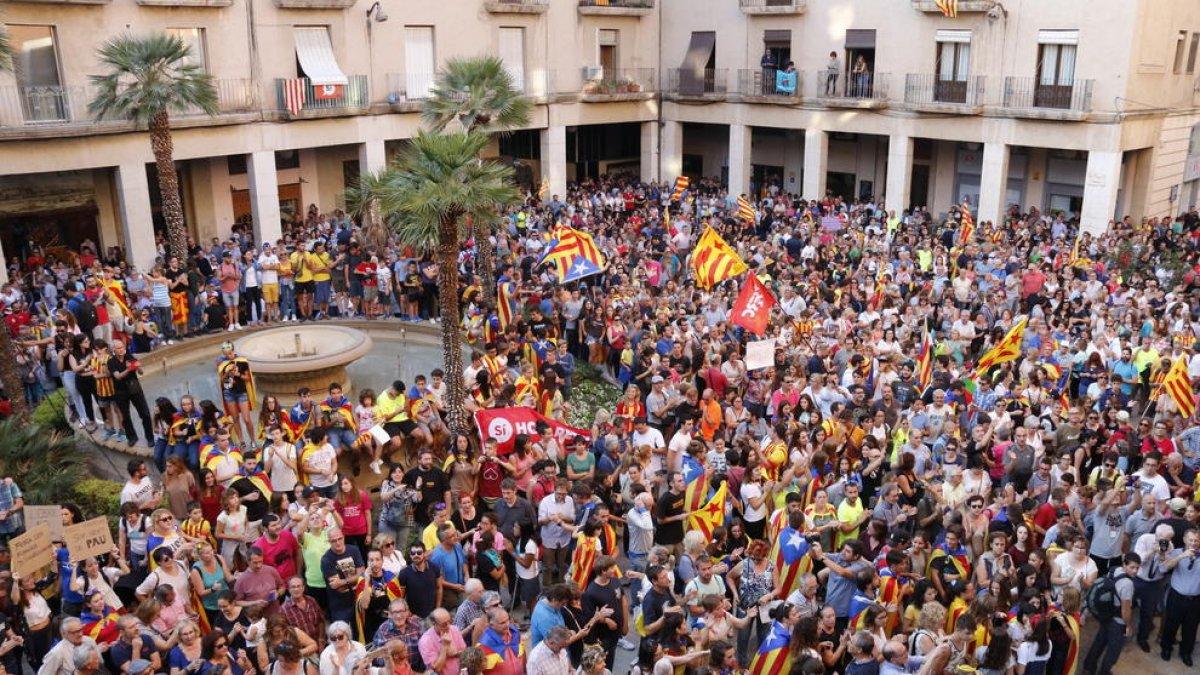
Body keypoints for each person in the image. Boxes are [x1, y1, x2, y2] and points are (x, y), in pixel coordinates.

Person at [1082, 552, 1140, 675]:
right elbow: (1126, 609)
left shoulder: (1114, 570)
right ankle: (1104, 672)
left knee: (1099, 642)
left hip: (1105, 614)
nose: (1135, 571)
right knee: (1113, 650)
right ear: (1124, 565)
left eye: (1137, 568)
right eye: (1132, 567)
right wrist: (1128, 626)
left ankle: (1088, 668)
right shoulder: (1128, 584)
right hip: (1117, 621)